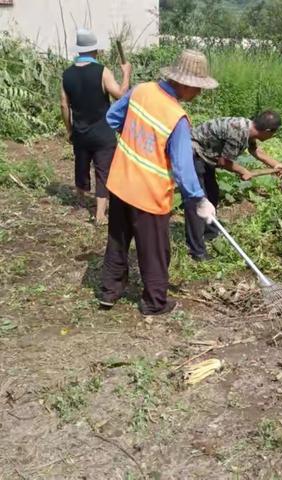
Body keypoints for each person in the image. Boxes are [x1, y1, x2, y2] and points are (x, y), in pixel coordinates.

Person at [100, 49, 217, 315]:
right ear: (184, 83)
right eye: (197, 88)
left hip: (120, 181)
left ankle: (109, 290)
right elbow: (184, 168)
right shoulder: (177, 118)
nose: (198, 94)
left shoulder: (141, 90)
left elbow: (113, 118)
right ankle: (154, 302)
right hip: (148, 194)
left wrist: (136, 140)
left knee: (118, 239)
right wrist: (199, 199)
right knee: (154, 250)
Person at [185, 112, 282, 260]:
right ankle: (197, 250)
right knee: (198, 201)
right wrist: (243, 171)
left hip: (206, 155)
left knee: (212, 192)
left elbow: (254, 150)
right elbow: (224, 162)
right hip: (193, 152)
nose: (273, 136)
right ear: (268, 131)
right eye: (274, 133)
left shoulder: (249, 129)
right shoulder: (238, 132)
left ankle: (210, 232)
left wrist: (275, 164)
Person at [61, 28, 132, 225]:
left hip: (80, 132)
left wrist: (69, 129)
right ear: (96, 51)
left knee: (81, 166)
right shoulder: (102, 72)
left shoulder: (67, 74)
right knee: (103, 170)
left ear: (78, 51)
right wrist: (126, 73)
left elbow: (63, 105)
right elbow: (120, 94)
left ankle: (80, 201)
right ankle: (100, 214)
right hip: (103, 132)